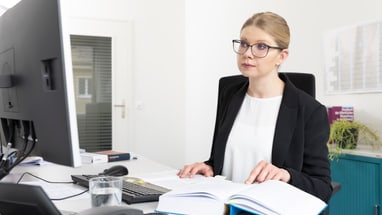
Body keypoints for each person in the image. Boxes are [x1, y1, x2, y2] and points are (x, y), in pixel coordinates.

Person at [177, 11, 332, 202]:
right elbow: (226, 160)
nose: (247, 53)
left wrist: (286, 175)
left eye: (261, 46)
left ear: (282, 56)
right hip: (225, 207)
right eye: (243, 44)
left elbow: (322, 188)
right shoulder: (230, 94)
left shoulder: (310, 111)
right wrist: (209, 166)